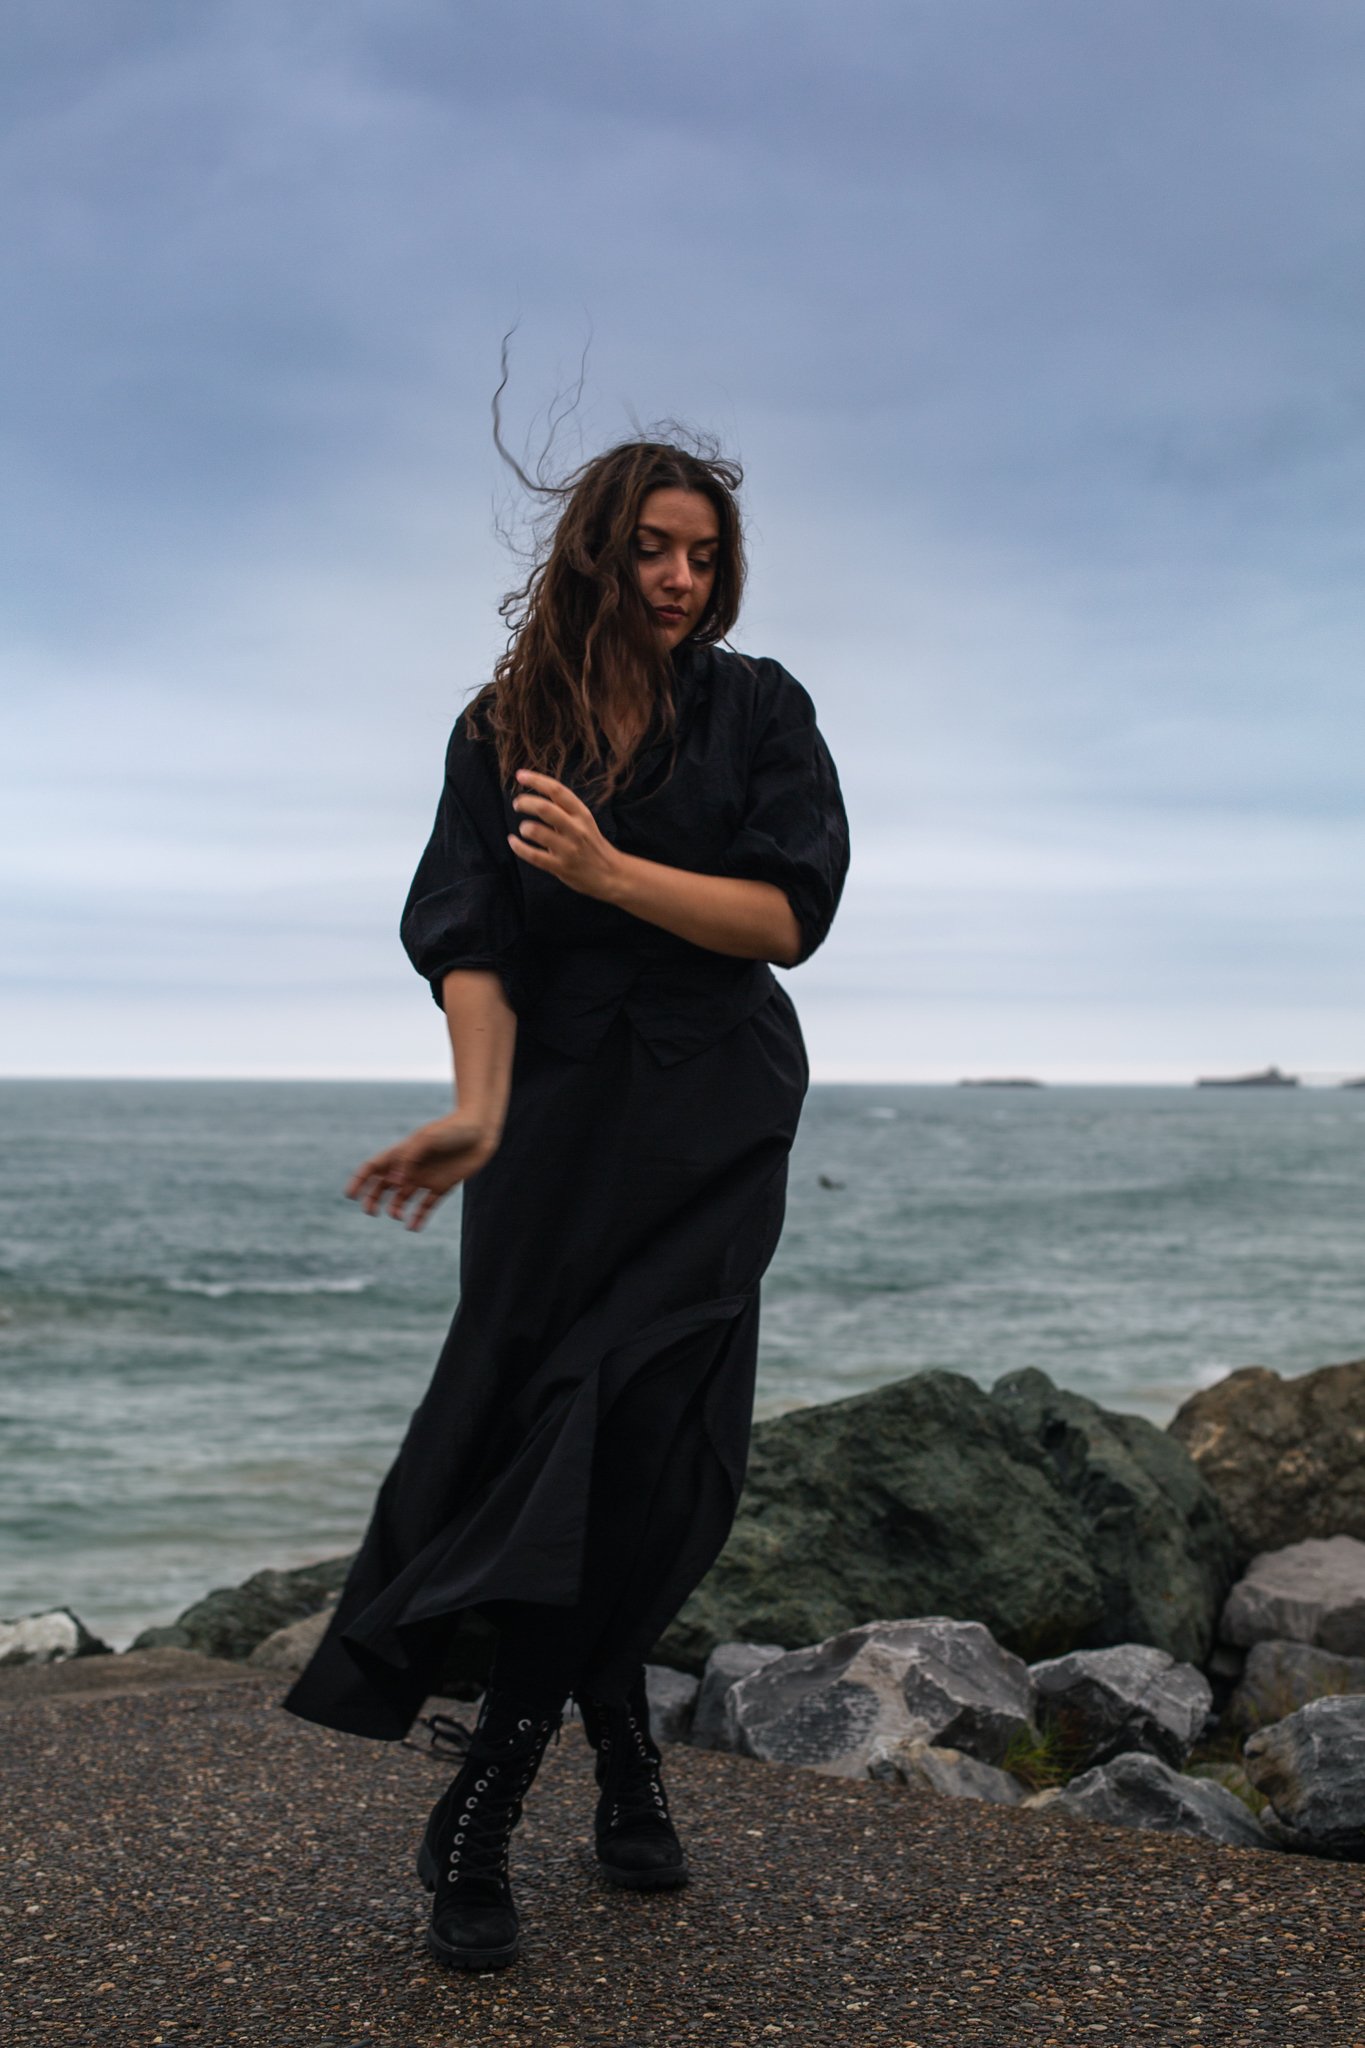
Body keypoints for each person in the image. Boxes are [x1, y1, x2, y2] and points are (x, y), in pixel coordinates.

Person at [281, 433, 850, 1972]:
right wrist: (473, 1109)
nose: (681, 579)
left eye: (705, 554)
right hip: (552, 1138)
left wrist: (607, 875)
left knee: (652, 1443)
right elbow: (467, 931)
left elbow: (786, 916)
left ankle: (478, 1805)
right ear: (597, 551)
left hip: (714, 1120)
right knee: (550, 1445)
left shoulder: (760, 708)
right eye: (656, 549)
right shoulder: (501, 728)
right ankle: (624, 1751)